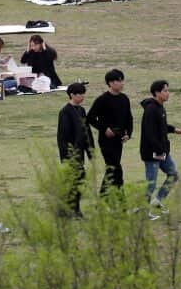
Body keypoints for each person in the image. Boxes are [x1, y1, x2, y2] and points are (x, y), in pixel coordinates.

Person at [140, 80, 181, 217]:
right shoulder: (151, 109)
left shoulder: (160, 107)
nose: (168, 93)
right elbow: (149, 133)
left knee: (174, 174)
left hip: (162, 151)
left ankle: (157, 200)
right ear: (157, 93)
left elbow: (162, 127)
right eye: (165, 90)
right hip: (152, 152)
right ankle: (143, 210)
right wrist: (158, 151)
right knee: (151, 183)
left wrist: (174, 130)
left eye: (168, 90)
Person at [87, 69, 133, 192]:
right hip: (106, 140)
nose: (122, 83)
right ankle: (118, 196)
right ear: (111, 83)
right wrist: (104, 128)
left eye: (122, 80)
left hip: (119, 140)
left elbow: (129, 118)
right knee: (115, 168)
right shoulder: (102, 99)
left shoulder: (124, 99)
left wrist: (128, 134)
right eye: (119, 80)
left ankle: (106, 197)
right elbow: (90, 118)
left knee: (112, 169)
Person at [57, 82, 94, 216]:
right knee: (72, 182)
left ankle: (74, 209)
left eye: (83, 94)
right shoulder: (65, 112)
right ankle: (68, 210)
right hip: (70, 154)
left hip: (80, 153)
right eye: (79, 94)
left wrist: (90, 151)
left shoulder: (81, 110)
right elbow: (62, 136)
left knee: (79, 181)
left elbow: (86, 132)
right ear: (72, 95)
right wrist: (68, 155)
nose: (82, 96)